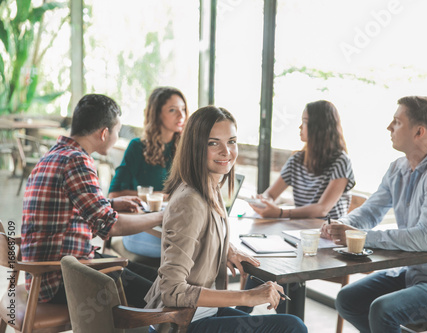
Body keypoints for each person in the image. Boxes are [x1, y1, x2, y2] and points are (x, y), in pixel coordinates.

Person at [321, 96, 427, 333]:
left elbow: (425, 239)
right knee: (348, 299)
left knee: (383, 309)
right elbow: (371, 211)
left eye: (397, 122)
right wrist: (342, 225)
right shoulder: (397, 168)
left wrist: (360, 236)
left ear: (419, 132)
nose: (389, 127)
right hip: (416, 274)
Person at [145, 106, 307, 333]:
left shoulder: (211, 187)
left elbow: (195, 236)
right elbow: (172, 290)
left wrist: (226, 249)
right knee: (292, 326)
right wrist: (247, 296)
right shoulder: (190, 201)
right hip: (182, 323)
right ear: (196, 147)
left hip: (201, 314)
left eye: (231, 141)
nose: (226, 151)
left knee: (286, 324)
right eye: (213, 143)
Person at [21, 94, 162, 308]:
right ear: (104, 133)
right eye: (116, 131)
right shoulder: (77, 161)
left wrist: (111, 204)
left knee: (157, 281)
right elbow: (110, 225)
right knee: (161, 295)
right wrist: (161, 216)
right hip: (62, 279)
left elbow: (69, 205)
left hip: (47, 274)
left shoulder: (54, 155)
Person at [108, 87, 188, 258]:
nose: (181, 116)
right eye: (172, 110)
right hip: (141, 228)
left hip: (175, 225)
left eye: (183, 109)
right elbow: (114, 194)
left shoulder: (185, 149)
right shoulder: (137, 147)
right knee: (183, 254)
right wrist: (159, 195)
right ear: (157, 114)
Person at [249, 100, 355, 220]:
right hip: (300, 229)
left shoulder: (340, 161)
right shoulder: (296, 160)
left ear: (319, 127)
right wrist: (265, 201)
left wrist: (280, 213)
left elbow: (322, 209)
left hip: (329, 232)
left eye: (304, 122)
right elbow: (270, 194)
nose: (300, 127)